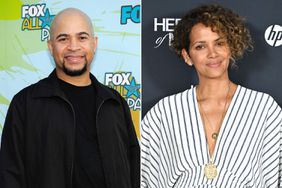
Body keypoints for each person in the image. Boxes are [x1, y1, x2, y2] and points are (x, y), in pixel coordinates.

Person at [141, 4, 282, 188]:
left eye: (219, 43)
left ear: (230, 47)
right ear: (187, 56)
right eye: (200, 46)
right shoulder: (165, 112)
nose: (212, 53)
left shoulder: (264, 109)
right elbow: (143, 176)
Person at [0, 8, 140, 188]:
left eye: (82, 37)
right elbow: (9, 174)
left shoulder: (114, 102)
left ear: (94, 44)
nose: (73, 47)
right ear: (51, 47)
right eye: (63, 38)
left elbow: (134, 167)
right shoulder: (26, 103)